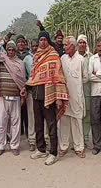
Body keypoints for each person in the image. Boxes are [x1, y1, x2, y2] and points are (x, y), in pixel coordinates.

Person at [26, 31, 69, 166]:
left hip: (49, 96)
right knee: (38, 124)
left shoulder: (54, 55)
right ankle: (41, 149)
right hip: (36, 95)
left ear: (48, 41)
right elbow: (33, 76)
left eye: (45, 39)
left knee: (51, 125)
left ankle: (53, 153)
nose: (43, 42)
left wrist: (58, 97)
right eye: (41, 40)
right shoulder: (36, 56)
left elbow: (58, 76)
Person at [0, 39, 26, 156]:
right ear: (6, 50)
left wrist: (23, 94)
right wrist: (2, 41)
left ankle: (14, 146)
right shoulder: (1, 60)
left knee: (16, 122)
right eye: (9, 49)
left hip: (15, 97)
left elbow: (22, 80)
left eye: (12, 50)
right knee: (2, 122)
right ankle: (1, 146)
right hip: (3, 97)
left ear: (15, 51)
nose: (10, 52)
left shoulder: (20, 63)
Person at [59, 36, 88, 159]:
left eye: (66, 45)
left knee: (77, 121)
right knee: (64, 121)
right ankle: (64, 146)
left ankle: (79, 147)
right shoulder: (62, 58)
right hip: (64, 95)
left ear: (72, 46)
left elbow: (86, 78)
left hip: (76, 96)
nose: (64, 47)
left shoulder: (81, 59)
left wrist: (76, 85)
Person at [77, 34, 93, 146]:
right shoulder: (73, 56)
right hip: (76, 91)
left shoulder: (91, 57)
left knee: (87, 114)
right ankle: (77, 139)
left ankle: (85, 138)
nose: (82, 45)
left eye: (84, 43)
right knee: (77, 114)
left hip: (88, 90)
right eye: (80, 42)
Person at [15, 34, 29, 139]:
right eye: (19, 42)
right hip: (15, 87)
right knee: (18, 110)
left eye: (22, 42)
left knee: (27, 110)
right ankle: (20, 131)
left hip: (27, 85)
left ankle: (29, 131)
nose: (21, 44)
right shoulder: (13, 55)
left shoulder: (29, 55)